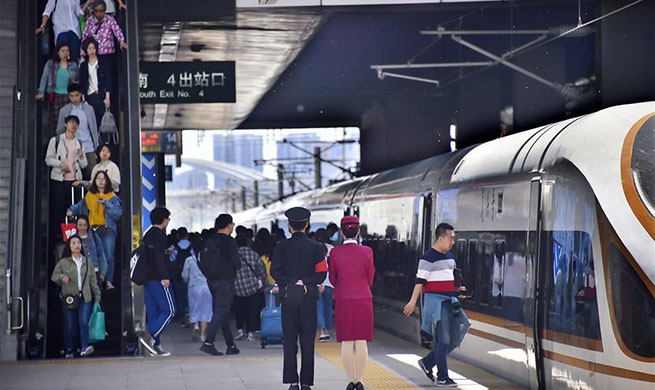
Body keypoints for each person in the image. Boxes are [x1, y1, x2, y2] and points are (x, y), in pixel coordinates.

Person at [402, 223, 468, 387]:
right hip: (437, 303)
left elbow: (448, 277)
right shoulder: (427, 258)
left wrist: (457, 288)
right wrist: (412, 301)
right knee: (442, 340)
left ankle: (427, 362)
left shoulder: (449, 256)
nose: (453, 241)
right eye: (451, 238)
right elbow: (420, 282)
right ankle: (443, 377)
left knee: (454, 339)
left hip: (450, 300)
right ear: (441, 238)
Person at [271, 207, 328, 390]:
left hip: (288, 299)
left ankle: (292, 383)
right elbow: (321, 274)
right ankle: (306, 384)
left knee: (289, 342)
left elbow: (275, 271)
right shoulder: (316, 247)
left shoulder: (281, 246)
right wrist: (304, 281)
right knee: (307, 343)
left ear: (289, 226)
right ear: (307, 225)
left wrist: (292, 282)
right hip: (308, 299)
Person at [329, 216, 374, 390]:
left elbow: (333, 278)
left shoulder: (335, 252)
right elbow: (370, 277)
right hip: (363, 298)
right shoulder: (368, 251)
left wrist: (343, 287)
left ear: (342, 232)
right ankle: (360, 381)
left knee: (347, 341)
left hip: (343, 299)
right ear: (358, 231)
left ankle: (350, 381)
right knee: (361, 340)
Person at [67, 170, 121, 289]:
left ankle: (108, 281)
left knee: (108, 256)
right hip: (92, 229)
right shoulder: (90, 195)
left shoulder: (112, 196)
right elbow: (79, 206)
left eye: (103, 179)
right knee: (93, 255)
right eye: (98, 178)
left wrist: (106, 204)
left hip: (107, 230)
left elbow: (117, 214)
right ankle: (97, 279)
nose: (101, 181)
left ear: (107, 181)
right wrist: (71, 210)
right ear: (94, 181)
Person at [51, 235, 102, 358]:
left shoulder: (87, 262)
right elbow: (54, 276)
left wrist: (97, 296)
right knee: (69, 324)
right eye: (73, 243)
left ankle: (84, 347)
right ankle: (69, 349)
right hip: (69, 296)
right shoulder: (63, 262)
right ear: (69, 246)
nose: (77, 245)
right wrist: (62, 277)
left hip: (85, 296)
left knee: (84, 322)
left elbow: (93, 282)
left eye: (78, 243)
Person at [199, 214, 241, 356]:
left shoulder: (210, 240)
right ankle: (208, 342)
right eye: (232, 224)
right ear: (229, 225)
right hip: (225, 280)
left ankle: (231, 345)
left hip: (211, 280)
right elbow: (237, 262)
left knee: (223, 312)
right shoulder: (229, 241)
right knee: (221, 311)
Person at [139, 207, 176, 357]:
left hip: (147, 278)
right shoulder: (160, 235)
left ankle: (156, 346)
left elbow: (153, 255)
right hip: (158, 278)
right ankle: (150, 337)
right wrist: (165, 276)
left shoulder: (148, 234)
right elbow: (158, 258)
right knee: (170, 310)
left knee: (154, 313)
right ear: (164, 220)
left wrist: (165, 252)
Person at [45, 115, 87, 241]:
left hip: (74, 182)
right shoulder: (56, 140)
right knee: (58, 211)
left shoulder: (79, 143)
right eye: (71, 123)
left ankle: (73, 239)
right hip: (59, 180)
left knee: (74, 212)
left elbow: (84, 165)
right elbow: (48, 159)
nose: (73, 125)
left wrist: (81, 156)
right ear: (65, 124)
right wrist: (60, 164)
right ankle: (58, 240)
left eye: (76, 123)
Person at [56, 83, 100, 179]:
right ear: (68, 96)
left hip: (88, 147)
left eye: (76, 95)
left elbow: (93, 128)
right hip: (71, 149)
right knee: (72, 178)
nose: (74, 98)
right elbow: (59, 130)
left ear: (81, 95)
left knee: (92, 177)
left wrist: (96, 145)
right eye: (71, 96)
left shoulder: (88, 109)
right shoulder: (64, 111)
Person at [37, 42, 80, 137]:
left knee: (69, 121)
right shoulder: (51, 64)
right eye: (63, 51)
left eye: (67, 51)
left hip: (68, 97)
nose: (65, 53)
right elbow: (44, 78)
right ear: (58, 52)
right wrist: (41, 92)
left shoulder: (73, 66)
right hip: (55, 96)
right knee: (55, 122)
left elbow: (77, 82)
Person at [234, 234, 267, 342]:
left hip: (237, 287)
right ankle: (250, 332)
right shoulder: (253, 254)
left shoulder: (234, 255)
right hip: (252, 287)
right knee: (251, 310)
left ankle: (240, 329)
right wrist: (263, 283)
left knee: (239, 309)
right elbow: (261, 269)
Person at [80, 1, 127, 73]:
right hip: (94, 54)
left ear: (105, 11)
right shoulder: (90, 21)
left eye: (101, 11)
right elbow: (85, 37)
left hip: (107, 55)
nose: (99, 13)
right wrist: (82, 54)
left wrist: (121, 41)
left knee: (107, 79)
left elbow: (117, 30)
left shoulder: (110, 19)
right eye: (96, 11)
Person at [181, 238, 212, 343]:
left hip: (193, 287)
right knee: (205, 311)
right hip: (206, 287)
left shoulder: (189, 260)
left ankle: (195, 326)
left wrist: (187, 281)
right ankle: (203, 335)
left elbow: (184, 275)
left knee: (194, 308)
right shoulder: (209, 259)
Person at [79, 37, 112, 130]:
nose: (92, 51)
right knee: (91, 123)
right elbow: (82, 83)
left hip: (101, 95)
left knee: (103, 122)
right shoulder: (83, 65)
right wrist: (84, 100)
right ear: (86, 50)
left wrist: (107, 97)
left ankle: (104, 142)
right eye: (89, 48)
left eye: (93, 48)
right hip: (90, 96)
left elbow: (108, 80)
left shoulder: (103, 62)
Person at [313, 228, 334, 342]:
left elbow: (315, 268)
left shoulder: (314, 249)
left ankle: (322, 331)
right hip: (330, 284)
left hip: (318, 283)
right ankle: (328, 330)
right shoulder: (332, 250)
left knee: (319, 308)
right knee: (328, 307)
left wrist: (319, 282)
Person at [75, 214, 108, 287]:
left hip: (94, 271)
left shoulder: (94, 236)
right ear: (76, 226)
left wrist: (102, 273)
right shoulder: (74, 239)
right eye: (80, 225)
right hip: (80, 272)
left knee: (96, 294)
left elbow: (101, 254)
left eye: (84, 225)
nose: (82, 227)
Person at [170, 228, 191, 325]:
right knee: (190, 295)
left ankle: (181, 315)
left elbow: (170, 259)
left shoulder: (173, 247)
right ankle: (189, 312)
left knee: (179, 295)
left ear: (177, 236)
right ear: (187, 234)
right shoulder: (193, 246)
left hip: (177, 275)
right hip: (191, 275)